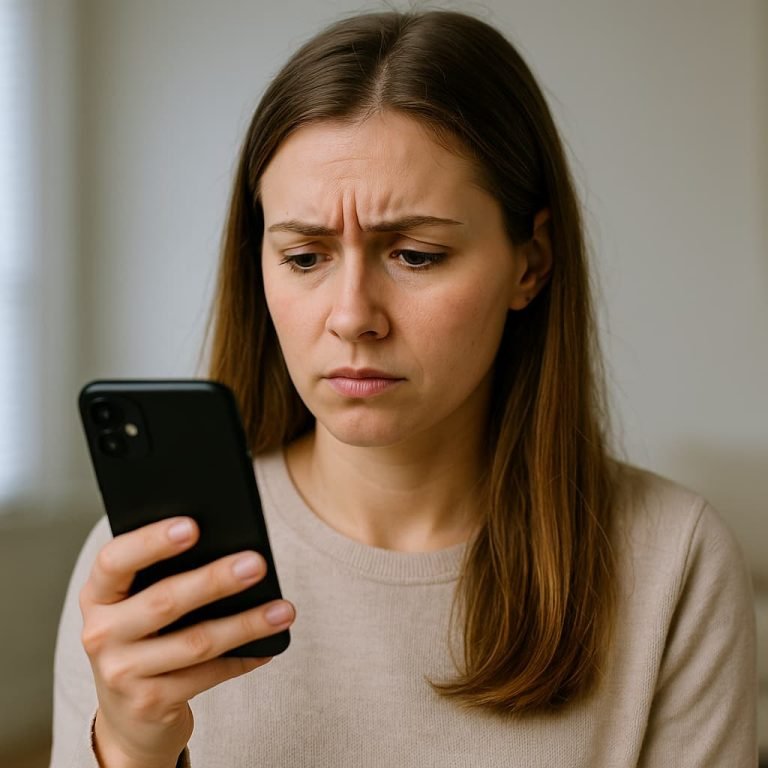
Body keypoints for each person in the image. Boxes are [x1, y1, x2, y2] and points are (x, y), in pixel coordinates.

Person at [50, 9, 757, 768]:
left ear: (531, 262)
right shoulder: (145, 573)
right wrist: (130, 749)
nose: (352, 316)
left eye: (416, 255)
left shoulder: (673, 561)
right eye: (304, 257)